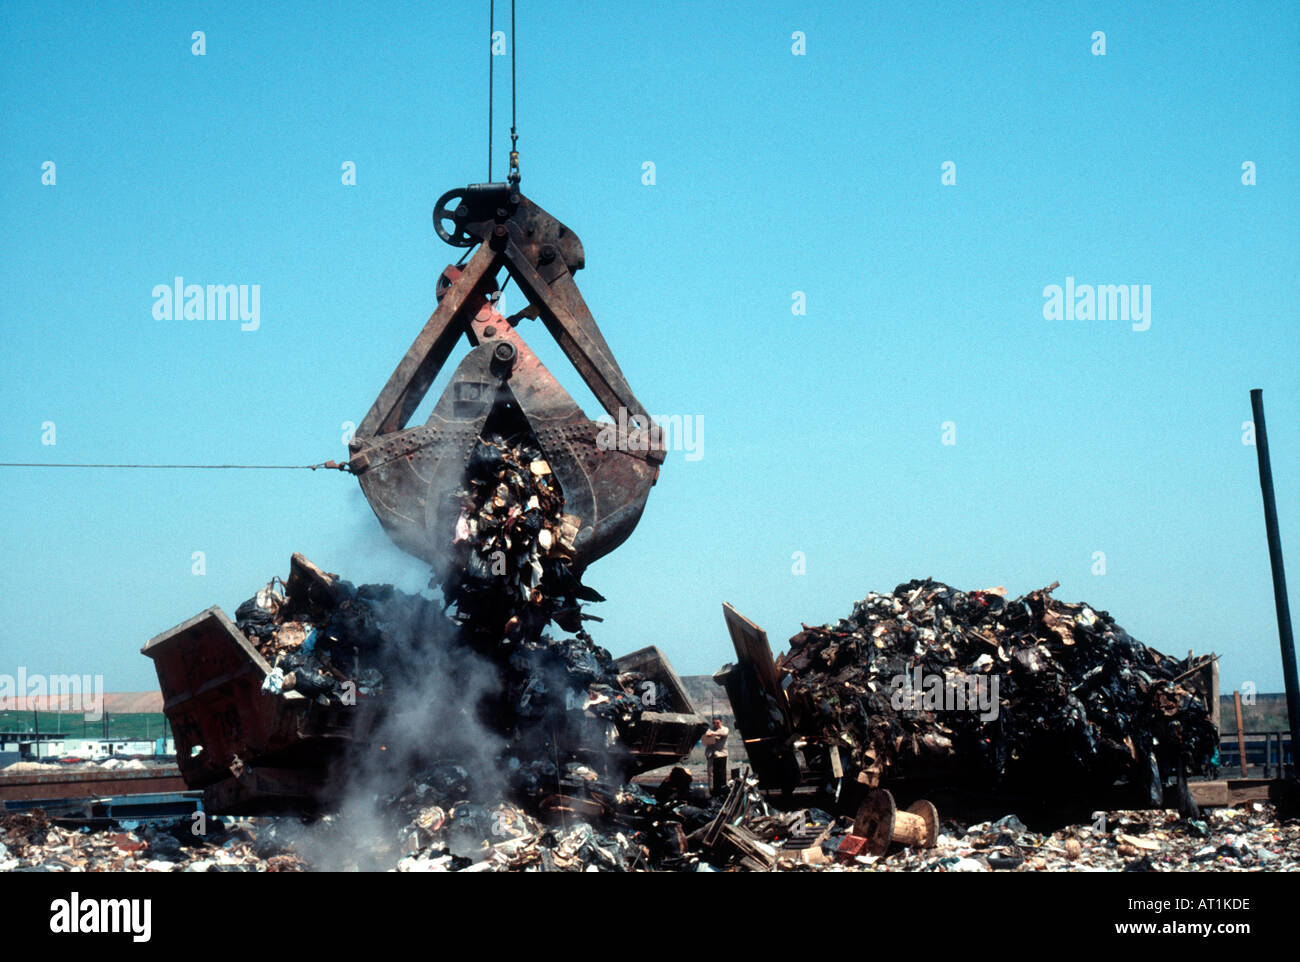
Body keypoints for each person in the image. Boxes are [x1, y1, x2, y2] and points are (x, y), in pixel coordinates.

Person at [701, 717, 729, 797]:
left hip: (721, 755)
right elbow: (705, 740)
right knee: (711, 774)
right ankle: (711, 790)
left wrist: (714, 734)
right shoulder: (710, 730)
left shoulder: (725, 729)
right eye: (714, 723)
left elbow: (724, 734)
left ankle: (723, 789)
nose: (716, 724)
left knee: (722, 773)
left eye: (717, 723)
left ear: (720, 722)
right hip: (711, 754)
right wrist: (710, 735)